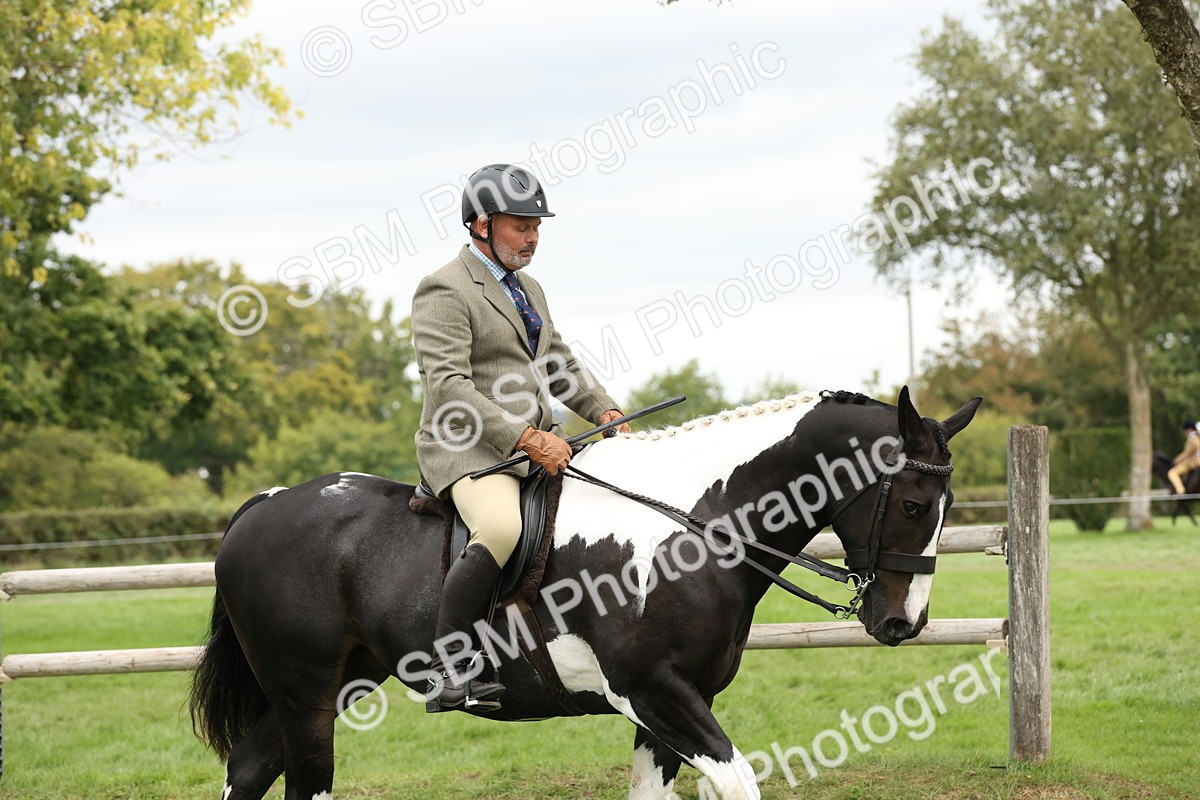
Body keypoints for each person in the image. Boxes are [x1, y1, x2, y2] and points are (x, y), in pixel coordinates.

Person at [411, 163, 631, 713]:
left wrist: (602, 408)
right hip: (467, 451)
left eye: (537, 226)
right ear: (481, 224)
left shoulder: (528, 287)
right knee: (503, 526)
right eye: (521, 225)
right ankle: (448, 666)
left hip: (540, 447)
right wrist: (528, 439)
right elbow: (448, 386)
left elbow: (557, 362)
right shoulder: (444, 288)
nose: (533, 237)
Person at [1168, 420, 1200, 495]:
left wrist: (1177, 459)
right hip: (1195, 461)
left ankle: (1180, 490)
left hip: (1192, 463)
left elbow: (1187, 452)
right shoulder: (1197, 438)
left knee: (1172, 473)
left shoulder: (1192, 439)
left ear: (1189, 429)